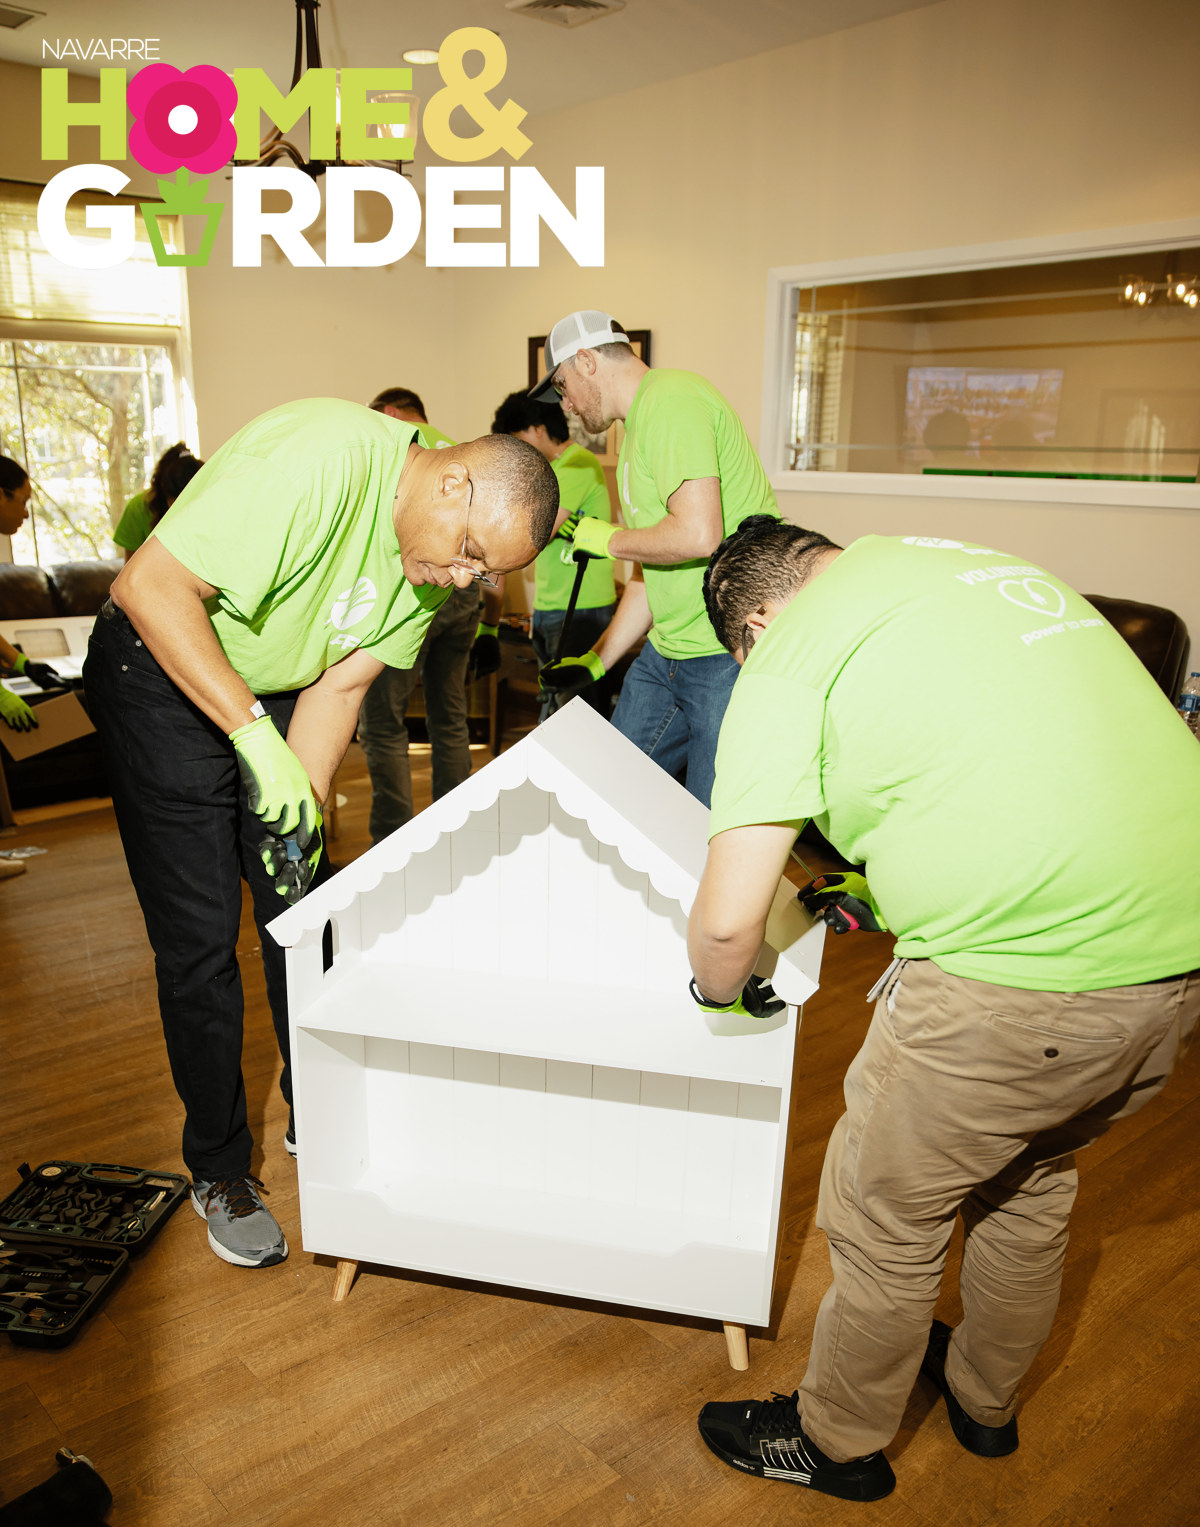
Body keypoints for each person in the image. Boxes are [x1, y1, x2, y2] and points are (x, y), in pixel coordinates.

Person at [685, 517, 1200, 1503]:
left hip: (1015, 986)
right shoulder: (967, 567)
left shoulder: (789, 651)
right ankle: (983, 1401)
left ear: (755, 626)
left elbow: (725, 925)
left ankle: (835, 1444)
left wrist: (716, 990)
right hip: (1172, 973)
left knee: (885, 1214)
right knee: (1028, 1182)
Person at [84, 398, 557, 1269]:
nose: (464, 579)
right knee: (199, 940)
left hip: (273, 691)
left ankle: (321, 1102)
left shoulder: (429, 568)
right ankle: (220, 1167)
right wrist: (248, 732)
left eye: (484, 573)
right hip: (158, 667)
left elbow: (337, 689)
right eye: (469, 551)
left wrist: (293, 805)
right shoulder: (318, 462)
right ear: (451, 480)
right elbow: (145, 585)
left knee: (302, 909)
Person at [531, 311, 779, 806]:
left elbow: (700, 535)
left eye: (562, 386)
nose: (567, 405)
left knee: (705, 826)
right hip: (665, 652)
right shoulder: (638, 430)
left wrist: (608, 539)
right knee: (611, 799)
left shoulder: (671, 399)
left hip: (723, 653)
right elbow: (652, 571)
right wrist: (597, 661)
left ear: (586, 361)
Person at [357, 388, 504, 842]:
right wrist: (490, 624)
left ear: (390, 412)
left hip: (416, 589)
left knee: (383, 721)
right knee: (450, 714)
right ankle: (454, 833)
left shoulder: (400, 455)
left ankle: (393, 839)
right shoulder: (459, 453)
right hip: (465, 593)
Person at [491, 388, 616, 718]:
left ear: (537, 429)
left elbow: (535, 533)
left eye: (518, 439)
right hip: (551, 605)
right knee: (556, 712)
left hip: (582, 608)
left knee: (579, 717)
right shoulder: (553, 469)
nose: (519, 450)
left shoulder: (578, 464)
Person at [113, 443, 204, 559]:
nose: (184, 510)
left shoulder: (211, 503)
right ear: (164, 491)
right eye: (177, 503)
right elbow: (132, 566)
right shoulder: (138, 509)